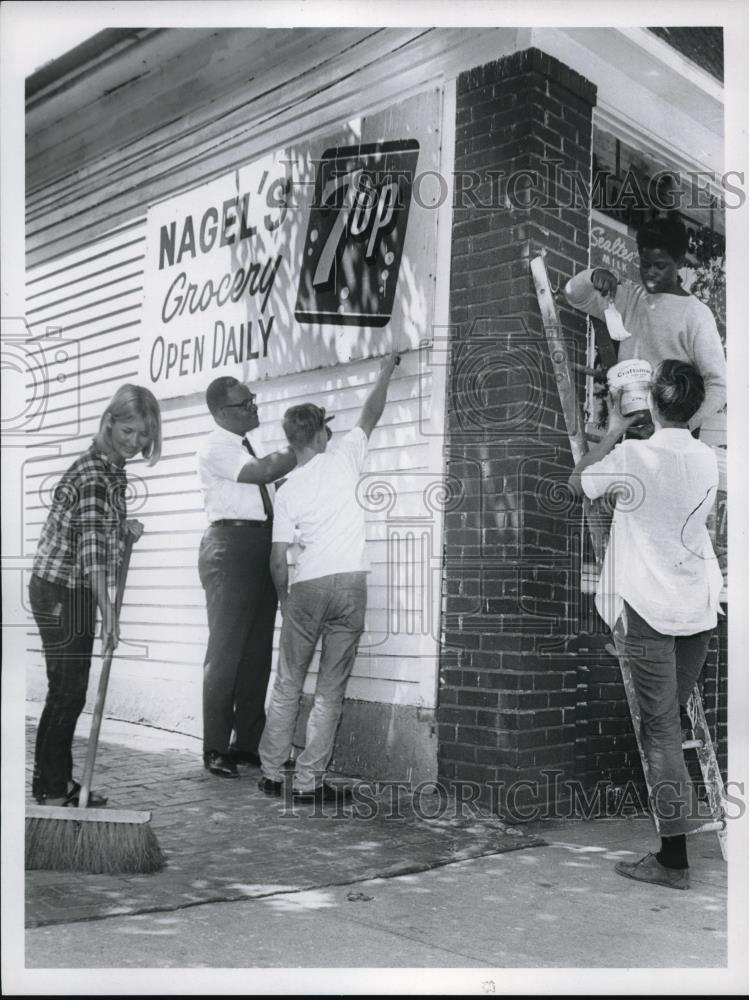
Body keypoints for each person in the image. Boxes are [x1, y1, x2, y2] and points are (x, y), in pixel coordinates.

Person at [569, 360, 723, 890]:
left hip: (649, 607)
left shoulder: (633, 455)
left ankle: (673, 862)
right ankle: (679, 837)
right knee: (671, 722)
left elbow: (578, 482)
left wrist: (613, 429)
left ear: (651, 403)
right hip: (698, 606)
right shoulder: (708, 459)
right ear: (696, 407)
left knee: (659, 732)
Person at [258, 352, 400, 803]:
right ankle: (308, 783)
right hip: (350, 584)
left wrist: (284, 598)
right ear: (320, 434)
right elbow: (371, 413)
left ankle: (270, 773)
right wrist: (385, 371)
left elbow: (278, 557)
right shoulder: (342, 459)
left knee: (287, 682)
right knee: (330, 690)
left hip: (307, 585)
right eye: (327, 429)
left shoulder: (286, 490)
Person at [30, 384, 162, 806]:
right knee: (68, 690)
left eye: (143, 435)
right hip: (61, 590)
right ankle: (53, 788)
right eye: (129, 431)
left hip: (74, 589)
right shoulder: (93, 476)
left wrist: (122, 529)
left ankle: (52, 783)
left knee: (67, 689)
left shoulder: (111, 469)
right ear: (109, 422)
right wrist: (110, 617)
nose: (136, 442)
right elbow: (90, 553)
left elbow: (97, 533)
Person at [197, 377, 297, 778]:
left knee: (256, 651)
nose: (253, 407)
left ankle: (248, 744)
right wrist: (303, 446)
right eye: (244, 403)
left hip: (259, 544)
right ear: (222, 412)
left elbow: (269, 483)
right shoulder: (217, 446)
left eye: (252, 399)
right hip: (231, 546)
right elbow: (261, 472)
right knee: (225, 653)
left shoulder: (241, 445)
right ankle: (216, 747)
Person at [564, 215, 726, 431]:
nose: (650, 272)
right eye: (645, 264)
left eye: (660, 266)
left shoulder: (695, 313)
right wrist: (593, 275)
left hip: (673, 433)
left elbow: (718, 385)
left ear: (678, 263)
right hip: (630, 427)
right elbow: (574, 296)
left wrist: (684, 428)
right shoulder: (630, 297)